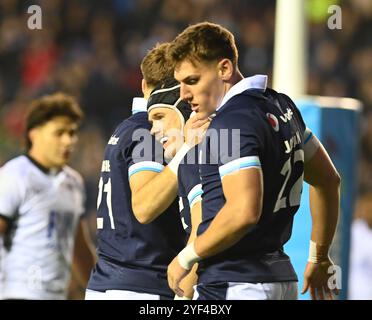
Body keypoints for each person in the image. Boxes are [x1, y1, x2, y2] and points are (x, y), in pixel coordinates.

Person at [166, 22, 341, 300]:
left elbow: (244, 211)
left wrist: (185, 258)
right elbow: (329, 180)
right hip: (281, 281)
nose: (184, 95)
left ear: (224, 69)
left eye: (192, 81)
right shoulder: (282, 105)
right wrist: (318, 257)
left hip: (236, 282)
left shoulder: (231, 121)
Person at [85, 43, 188, 300]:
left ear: (144, 85)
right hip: (141, 285)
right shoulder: (148, 131)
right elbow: (144, 205)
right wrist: (188, 154)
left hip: (112, 280)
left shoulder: (127, 127)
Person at [0, 92, 95, 300]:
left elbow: (78, 246)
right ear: (34, 134)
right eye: (59, 133)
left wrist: (97, 292)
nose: (68, 141)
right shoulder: (14, 176)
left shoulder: (74, 182)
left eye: (72, 133)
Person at [147, 78, 209, 299]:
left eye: (160, 117)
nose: (153, 130)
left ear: (185, 113)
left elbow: (203, 227)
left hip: (224, 282)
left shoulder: (196, 156)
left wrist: (184, 293)